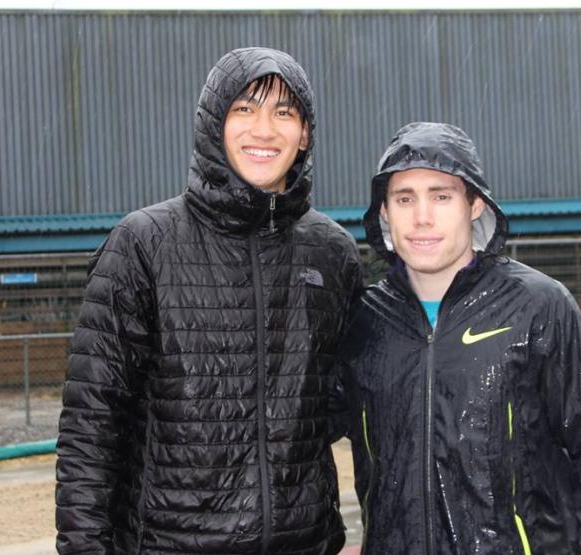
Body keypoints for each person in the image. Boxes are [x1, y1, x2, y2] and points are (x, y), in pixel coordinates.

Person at [56, 47, 362, 554]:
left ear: (305, 133)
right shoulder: (144, 243)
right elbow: (92, 424)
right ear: (213, 123)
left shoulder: (333, 252)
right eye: (244, 108)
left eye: (283, 112)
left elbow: (351, 402)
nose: (263, 130)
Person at [340, 122, 581, 554]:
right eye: (405, 199)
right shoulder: (363, 320)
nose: (422, 217)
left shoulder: (538, 305)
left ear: (475, 204)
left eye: (441, 196)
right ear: (384, 212)